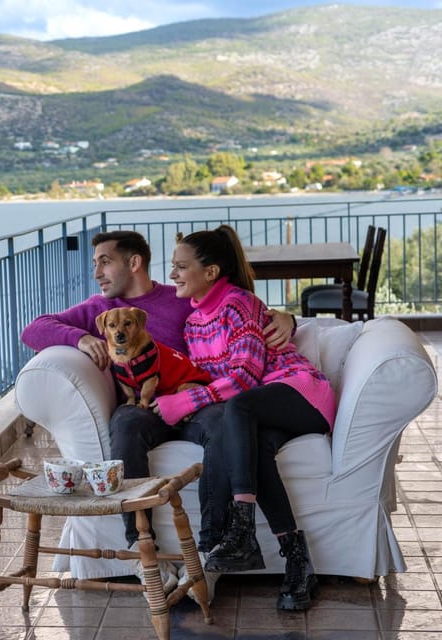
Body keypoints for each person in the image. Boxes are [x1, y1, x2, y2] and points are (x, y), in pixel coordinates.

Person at [21, 229, 295, 593]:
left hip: (194, 399)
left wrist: (288, 318)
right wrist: (81, 337)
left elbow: (241, 309)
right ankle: (139, 546)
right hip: (144, 407)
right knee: (125, 422)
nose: (97, 272)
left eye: (105, 262)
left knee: (224, 422)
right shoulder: (99, 310)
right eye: (95, 264)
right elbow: (33, 329)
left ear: (133, 263)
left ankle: (210, 551)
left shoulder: (181, 297)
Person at [152, 224, 336, 611]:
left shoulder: (238, 304)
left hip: (301, 393)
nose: (172, 275)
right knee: (253, 451)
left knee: (238, 405)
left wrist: (184, 404)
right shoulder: (193, 322)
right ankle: (297, 562)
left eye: (180, 266)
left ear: (211, 272)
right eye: (172, 266)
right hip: (263, 407)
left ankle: (242, 528)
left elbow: (244, 378)